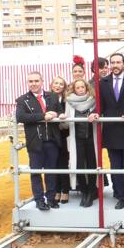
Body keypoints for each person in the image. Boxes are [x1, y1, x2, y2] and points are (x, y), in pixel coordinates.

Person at [90, 53, 124, 210]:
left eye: (118, 62)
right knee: (116, 168)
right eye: (112, 62)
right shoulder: (102, 83)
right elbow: (101, 106)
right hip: (112, 133)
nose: (115, 65)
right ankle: (121, 197)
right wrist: (95, 113)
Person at [16, 71, 62, 211]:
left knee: (51, 172)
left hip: (52, 141)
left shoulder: (52, 96)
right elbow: (21, 117)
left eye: (36, 81)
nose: (34, 84)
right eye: (31, 81)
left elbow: (60, 112)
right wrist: (43, 115)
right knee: (36, 173)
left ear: (42, 82)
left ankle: (52, 198)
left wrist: (57, 114)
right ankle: (39, 200)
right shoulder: (22, 99)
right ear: (28, 83)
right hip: (35, 142)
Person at [61, 79, 99, 207]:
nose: (81, 89)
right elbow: (65, 124)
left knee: (93, 165)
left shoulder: (93, 101)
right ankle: (84, 191)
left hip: (91, 138)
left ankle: (92, 191)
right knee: (79, 165)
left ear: (87, 88)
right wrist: (62, 119)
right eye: (78, 87)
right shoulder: (69, 102)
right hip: (77, 138)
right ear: (74, 89)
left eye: (83, 87)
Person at [50, 76, 71, 204]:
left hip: (63, 134)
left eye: (61, 84)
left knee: (63, 162)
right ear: (52, 85)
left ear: (64, 87)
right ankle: (56, 190)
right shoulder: (46, 98)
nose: (58, 85)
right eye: (56, 83)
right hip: (51, 134)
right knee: (53, 163)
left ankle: (65, 190)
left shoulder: (66, 100)